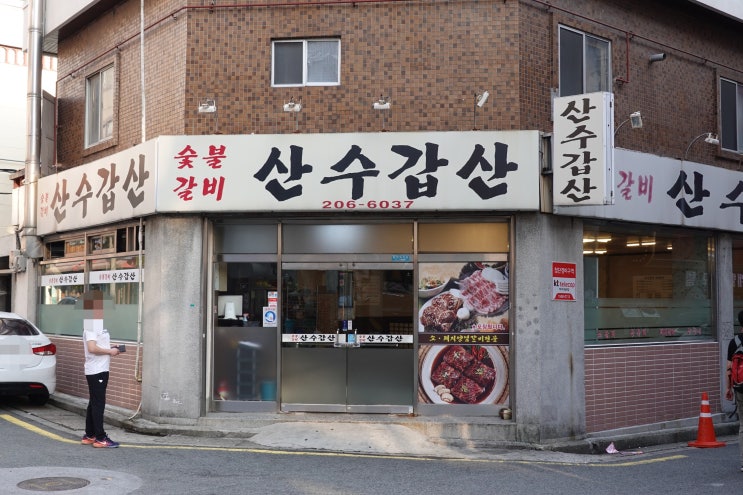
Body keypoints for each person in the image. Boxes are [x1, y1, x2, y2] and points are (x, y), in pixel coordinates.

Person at [80, 291, 121, 448]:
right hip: (96, 370)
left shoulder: (96, 323)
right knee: (98, 403)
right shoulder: (91, 324)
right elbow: (91, 348)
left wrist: (111, 348)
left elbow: (97, 346)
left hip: (99, 368)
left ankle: (89, 435)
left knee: (94, 402)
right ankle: (100, 438)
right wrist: (110, 351)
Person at [725, 310, 743, 472]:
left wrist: (728, 388)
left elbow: (729, 369)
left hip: (740, 388)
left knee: (742, 425)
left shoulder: (734, 342)